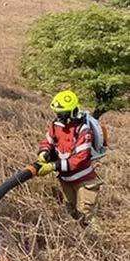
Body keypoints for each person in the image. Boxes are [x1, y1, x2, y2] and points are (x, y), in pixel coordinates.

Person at [37, 90, 104, 226]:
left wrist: (54, 166)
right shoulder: (56, 125)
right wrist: (44, 152)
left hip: (84, 181)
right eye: (57, 113)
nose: (59, 117)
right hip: (66, 179)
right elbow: (48, 141)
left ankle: (95, 237)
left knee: (85, 216)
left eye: (63, 113)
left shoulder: (83, 130)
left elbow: (79, 159)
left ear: (72, 112)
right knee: (72, 213)